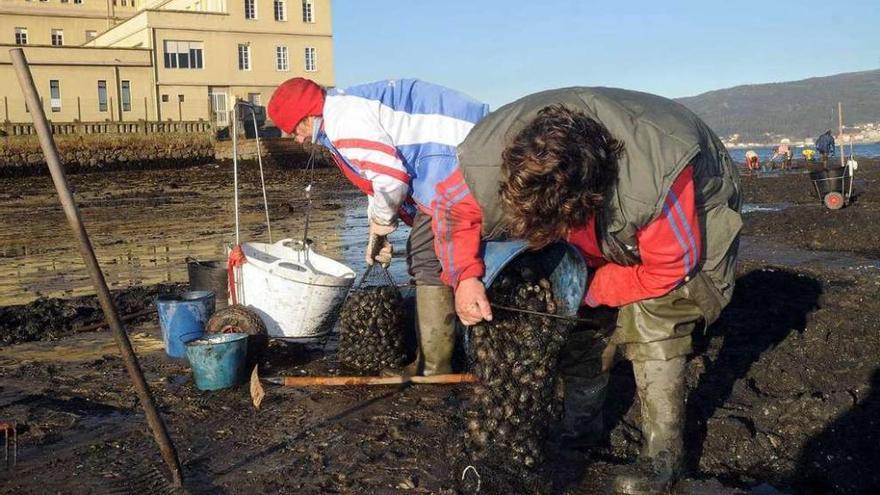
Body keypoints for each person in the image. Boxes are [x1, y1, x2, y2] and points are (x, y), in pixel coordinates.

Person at [441, 87, 741, 494]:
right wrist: (466, 276)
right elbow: (452, 211)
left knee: (658, 314)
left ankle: (663, 458)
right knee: (567, 307)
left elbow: (671, 266)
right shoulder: (485, 156)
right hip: (592, 198)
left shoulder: (656, 179)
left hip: (693, 183)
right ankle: (581, 428)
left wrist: (594, 287)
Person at [267, 78, 489, 376]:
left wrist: (384, 223)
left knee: (425, 257)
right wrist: (377, 229)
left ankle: (434, 367)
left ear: (307, 114)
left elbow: (391, 178)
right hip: (463, 148)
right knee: (427, 254)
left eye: (296, 129)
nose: (298, 139)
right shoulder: (343, 110)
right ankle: (438, 357)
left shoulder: (342, 121)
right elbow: (377, 179)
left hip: (454, 159)